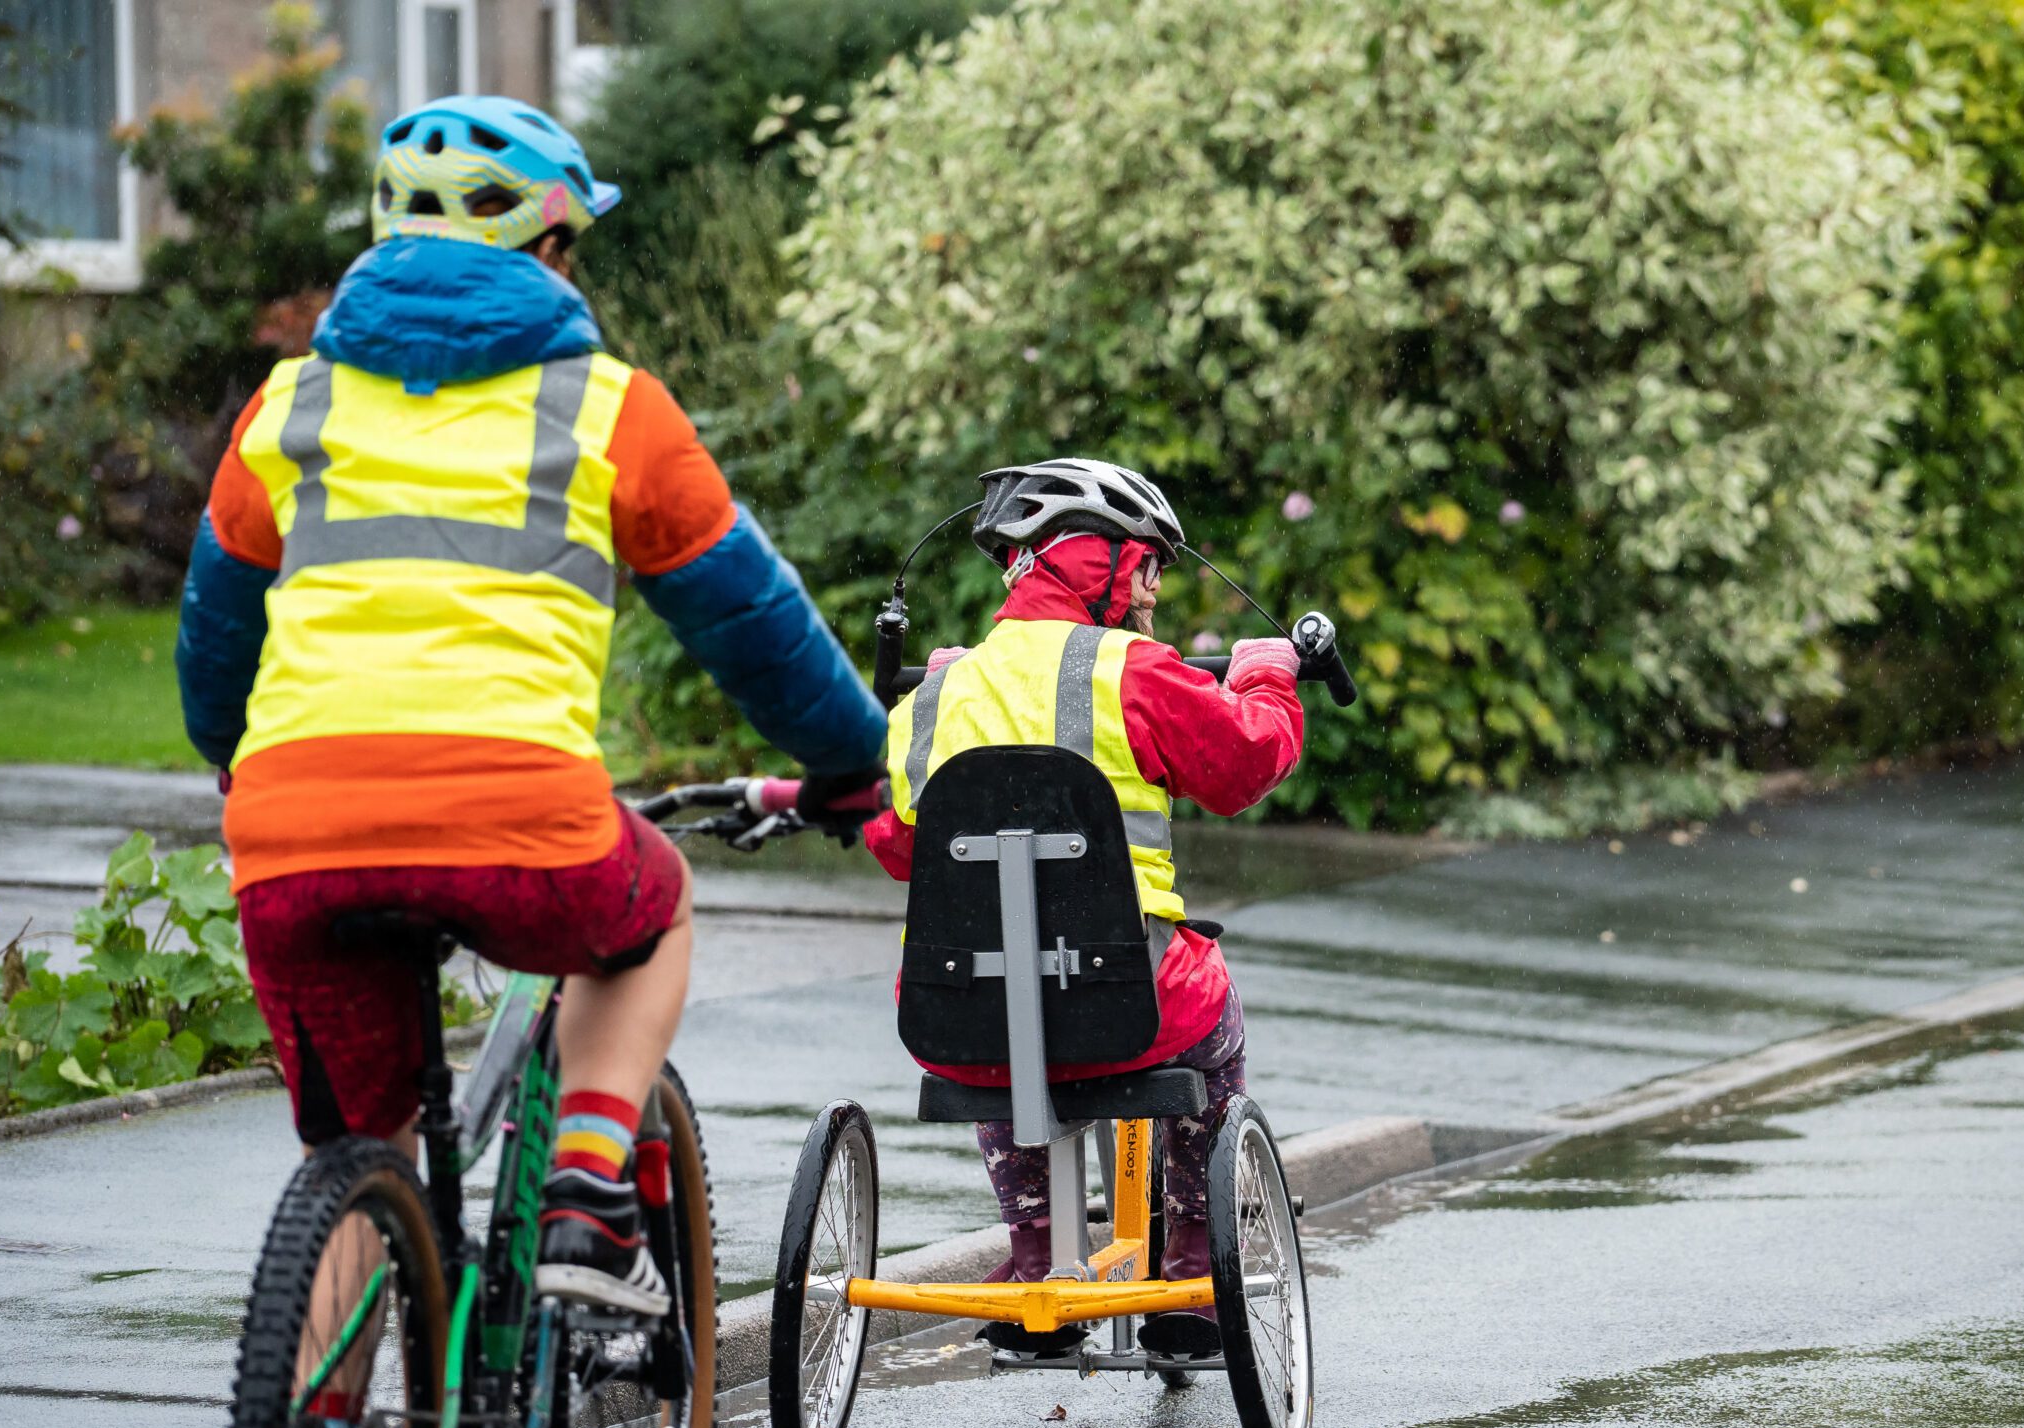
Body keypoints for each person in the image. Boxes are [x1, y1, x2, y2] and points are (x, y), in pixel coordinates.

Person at [176, 96, 885, 1316]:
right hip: (520, 824)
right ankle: (587, 1188)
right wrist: (852, 759)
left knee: (358, 1158)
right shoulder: (612, 409)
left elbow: (215, 645)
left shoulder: (286, 409)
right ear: (551, 250)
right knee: (652, 909)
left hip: (294, 832)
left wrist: (245, 768)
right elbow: (754, 629)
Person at [861, 459, 1304, 1358]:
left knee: (994, 994)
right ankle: (1191, 1258)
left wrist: (939, 724)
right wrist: (1265, 676)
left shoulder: (937, 693)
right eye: (1148, 567)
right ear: (1103, 566)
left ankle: (1033, 1256)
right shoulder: (1135, 672)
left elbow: (895, 843)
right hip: (1132, 1000)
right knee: (1212, 1003)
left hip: (958, 1015)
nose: (1151, 594)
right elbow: (1245, 764)